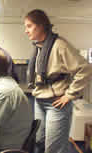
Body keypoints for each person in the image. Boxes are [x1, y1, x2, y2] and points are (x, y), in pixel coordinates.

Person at [24, 9, 92, 153]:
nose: (26, 31)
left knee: (54, 148)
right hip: (39, 100)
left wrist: (70, 94)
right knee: (39, 142)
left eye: (29, 26)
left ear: (41, 25)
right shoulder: (39, 47)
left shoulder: (60, 45)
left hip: (56, 103)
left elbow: (85, 68)